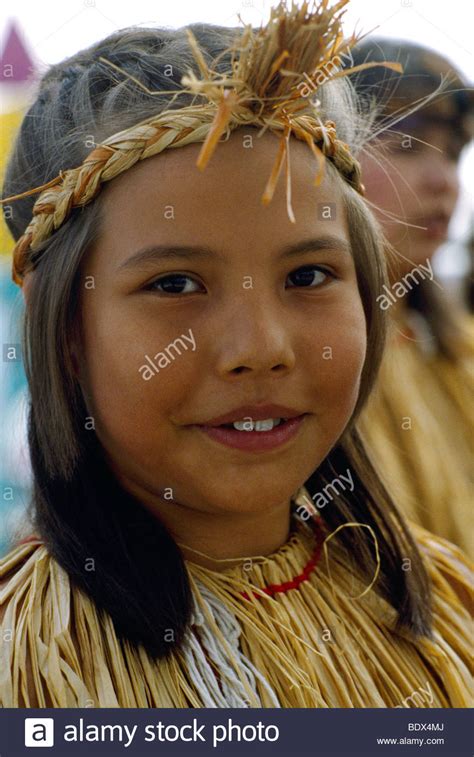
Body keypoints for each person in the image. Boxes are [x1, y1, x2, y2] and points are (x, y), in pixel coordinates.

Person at [0, 1, 471, 708]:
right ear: (62, 323)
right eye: (175, 283)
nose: (261, 349)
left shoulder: (449, 611)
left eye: (308, 276)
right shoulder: (33, 669)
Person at [348, 40, 474, 559]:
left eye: (453, 153)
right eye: (406, 146)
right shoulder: (300, 364)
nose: (444, 180)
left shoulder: (458, 351)